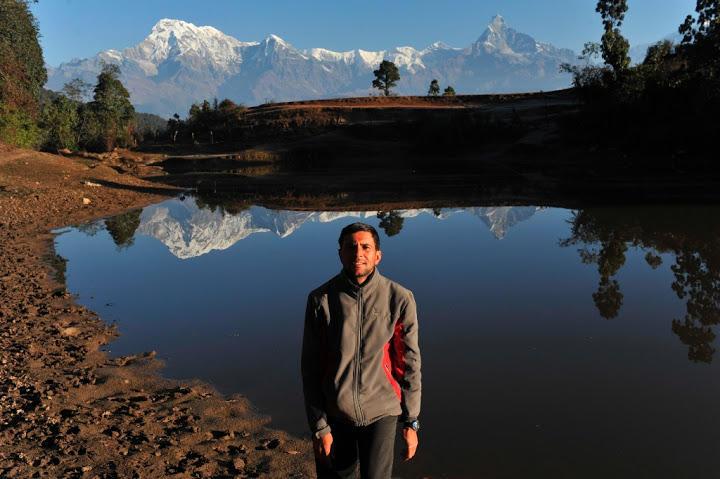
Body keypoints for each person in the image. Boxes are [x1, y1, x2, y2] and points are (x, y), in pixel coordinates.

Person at [301, 222, 421, 479]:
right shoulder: (321, 299)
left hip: (382, 410)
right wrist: (319, 427)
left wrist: (411, 421)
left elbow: (409, 362)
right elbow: (311, 368)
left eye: (366, 247)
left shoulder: (399, 298)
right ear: (340, 254)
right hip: (334, 412)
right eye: (350, 247)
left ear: (377, 255)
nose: (358, 253)